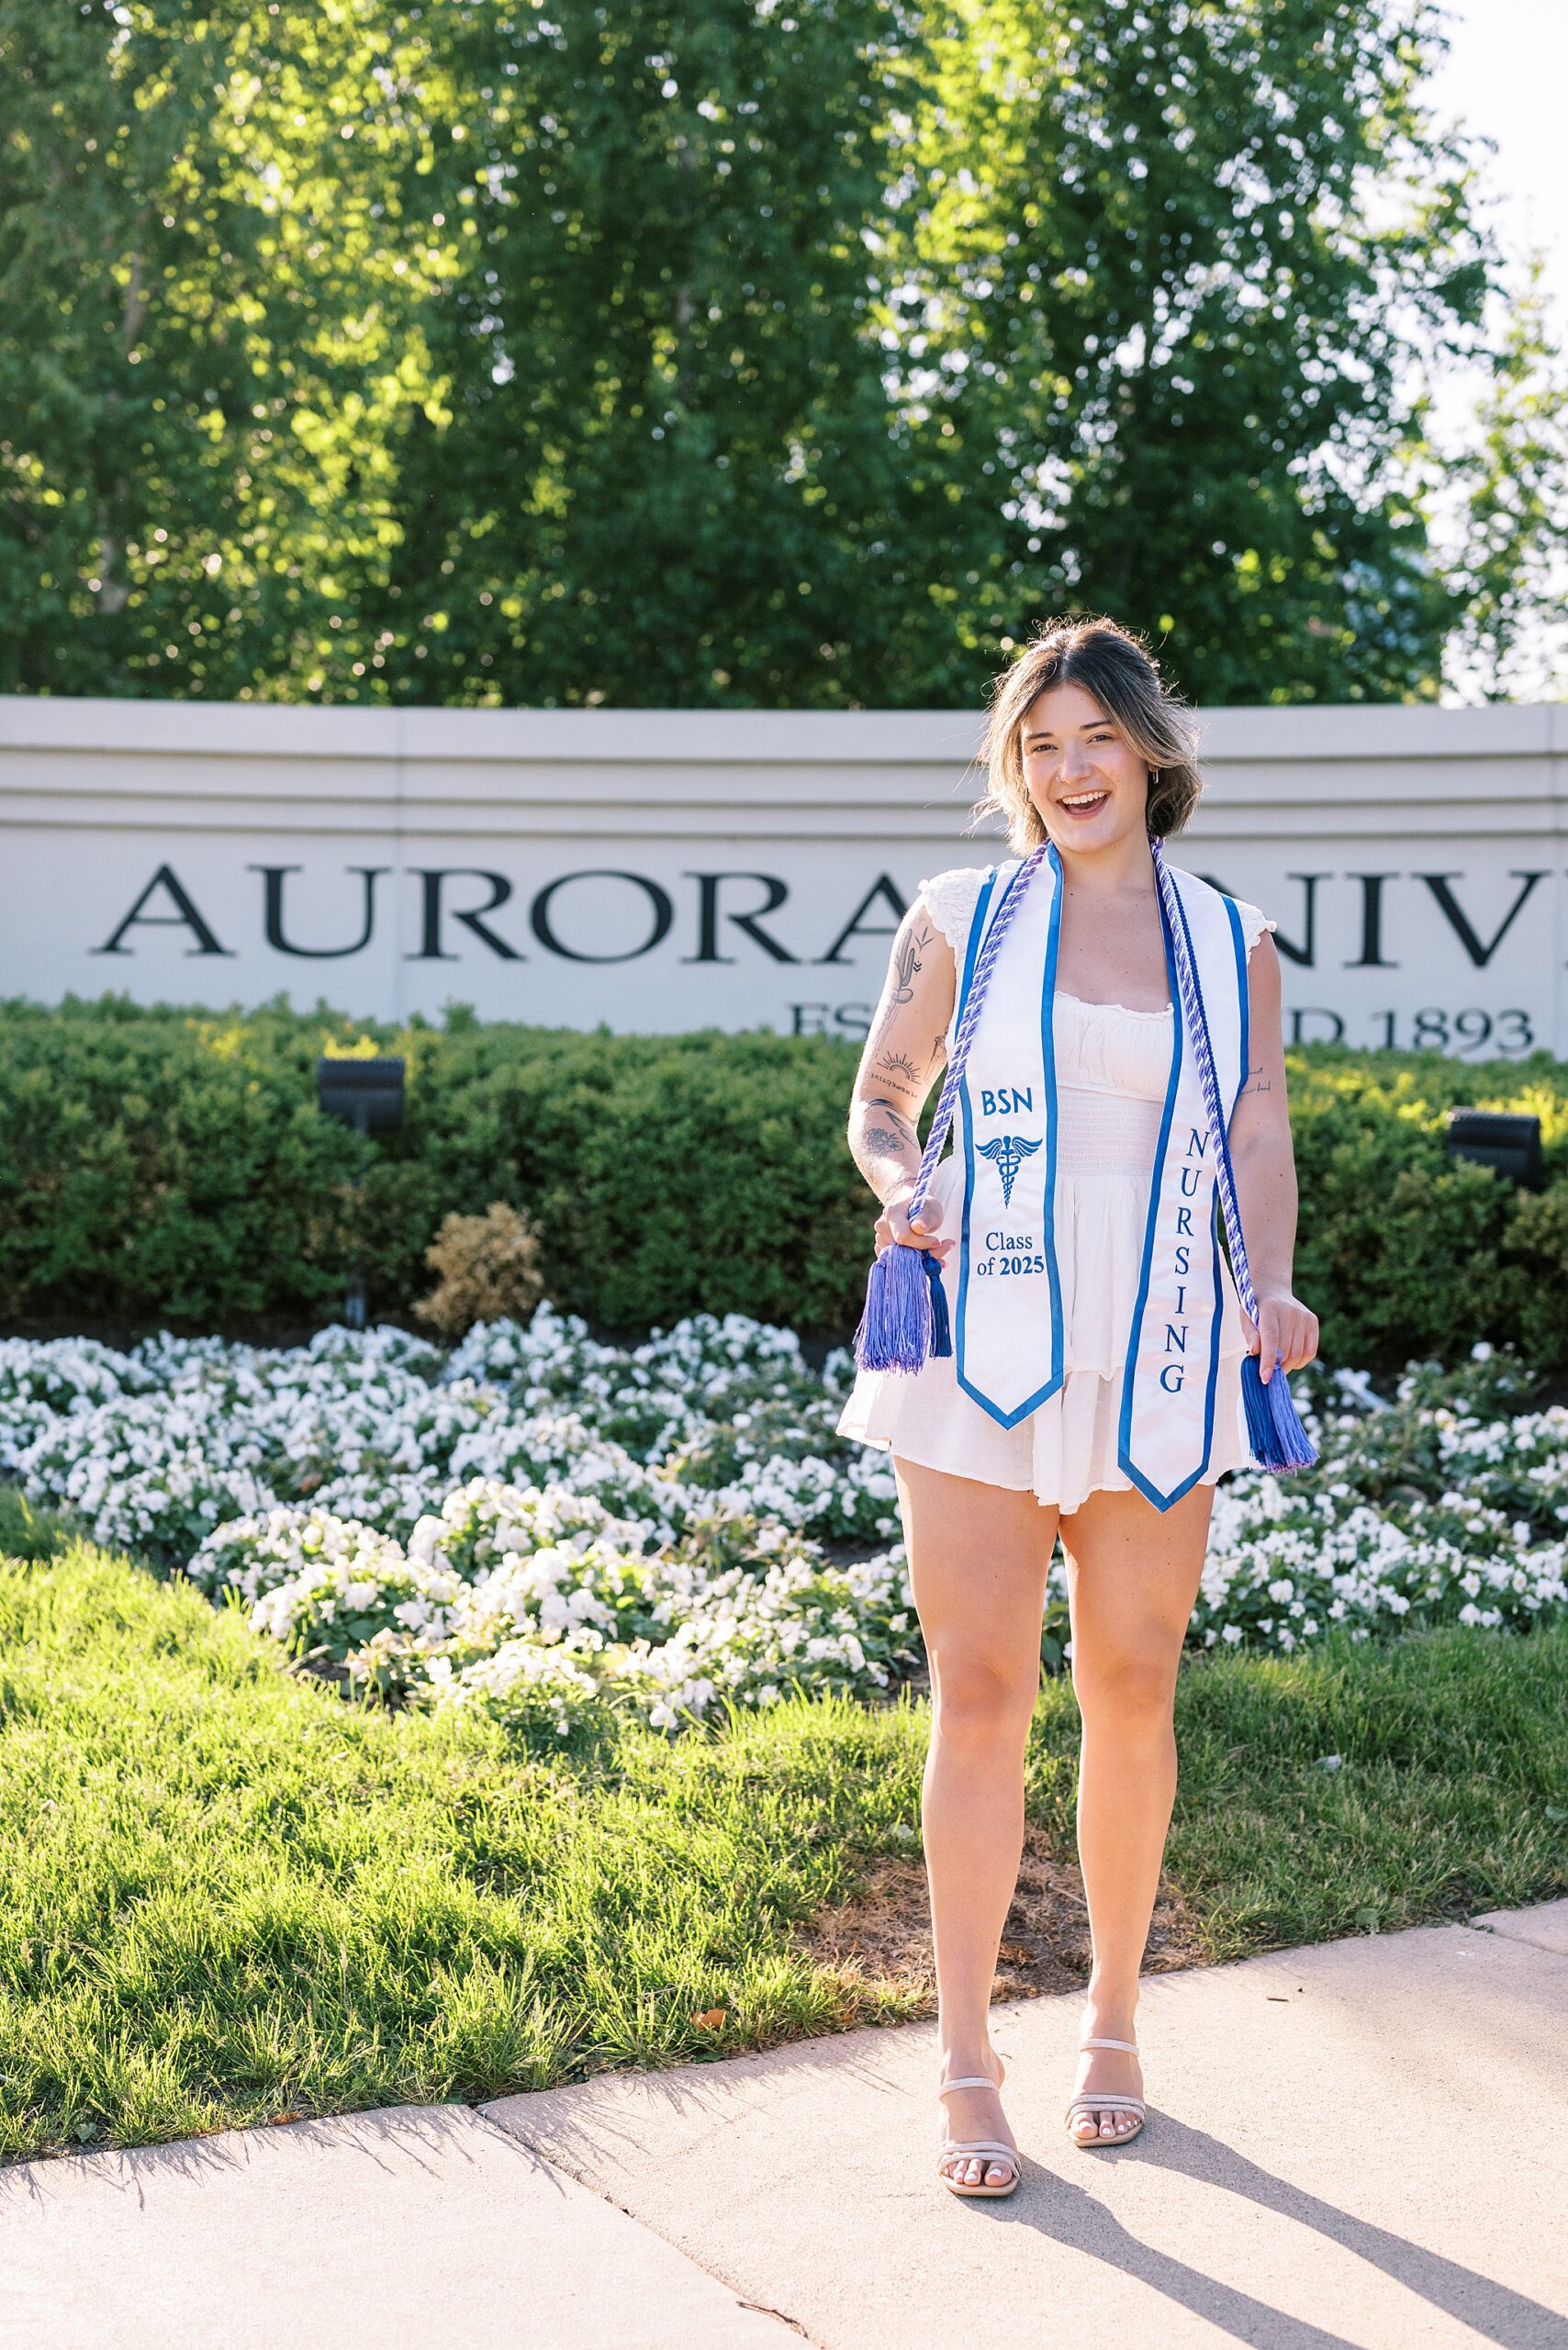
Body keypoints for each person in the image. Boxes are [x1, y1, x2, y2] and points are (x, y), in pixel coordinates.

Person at [839, 615, 1318, 2198]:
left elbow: (1256, 1124)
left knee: (1133, 1680)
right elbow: (881, 1100)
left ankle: (1113, 2018)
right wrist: (906, 1189)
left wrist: (1273, 1287)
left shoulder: (1229, 936)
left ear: (1149, 751)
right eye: (1038, 746)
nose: (1068, 770)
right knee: (978, 1691)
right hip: (984, 1325)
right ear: (1016, 767)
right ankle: (966, 2057)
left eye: (1093, 738)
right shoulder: (961, 917)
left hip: (1164, 1332)